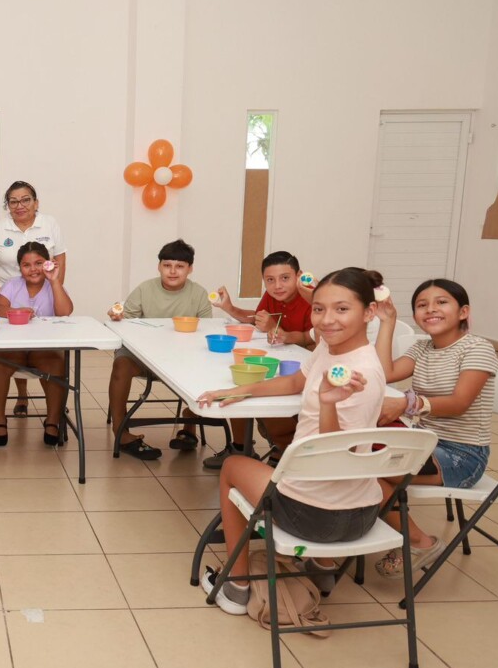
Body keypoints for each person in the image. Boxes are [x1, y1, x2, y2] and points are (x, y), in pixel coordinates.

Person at [196, 268, 388, 614]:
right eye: (319, 309)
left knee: (232, 467)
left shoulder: (362, 373)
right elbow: (296, 381)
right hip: (361, 513)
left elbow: (335, 458)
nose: (327, 320)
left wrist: (328, 404)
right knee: (295, 466)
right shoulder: (331, 348)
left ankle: (237, 586)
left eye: (342, 309)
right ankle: (322, 570)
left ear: (369, 312)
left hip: (316, 516)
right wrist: (240, 390)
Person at [371, 278, 498, 576]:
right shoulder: (422, 348)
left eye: (441, 302)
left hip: (462, 455)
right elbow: (383, 373)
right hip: (425, 443)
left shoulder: (477, 348)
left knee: (363, 471)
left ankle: (419, 542)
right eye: (422, 305)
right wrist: (388, 321)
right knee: (355, 462)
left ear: (463, 312)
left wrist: (407, 403)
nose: (430, 309)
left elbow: (459, 403)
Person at [204, 250, 314, 469]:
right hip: (280, 359)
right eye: (270, 280)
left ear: (299, 276)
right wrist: (229, 307)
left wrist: (279, 331)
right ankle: (244, 446)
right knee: (240, 383)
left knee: (255, 396)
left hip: (304, 368)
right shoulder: (272, 297)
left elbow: (315, 339)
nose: (277, 286)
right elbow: (257, 318)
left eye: (285, 278)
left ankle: (284, 448)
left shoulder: (312, 300)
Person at [107, 239, 213, 460]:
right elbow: (127, 320)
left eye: (180, 266)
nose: (173, 271)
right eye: (167, 265)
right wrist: (118, 316)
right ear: (159, 266)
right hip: (144, 355)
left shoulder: (199, 294)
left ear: (190, 269)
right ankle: (121, 430)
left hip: (184, 357)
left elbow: (206, 330)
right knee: (121, 364)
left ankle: (189, 424)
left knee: (208, 363)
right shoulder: (145, 289)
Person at [0, 181, 68, 419]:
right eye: (13, 201)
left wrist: (54, 287)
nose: (20, 205)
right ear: (8, 205)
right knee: (12, 349)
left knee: (43, 350)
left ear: (35, 203)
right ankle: (21, 395)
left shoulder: (49, 224)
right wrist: (2, 293)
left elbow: (61, 258)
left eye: (25, 200)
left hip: (44, 294)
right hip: (9, 299)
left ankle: (54, 408)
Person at [0, 243, 74, 447]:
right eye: (26, 265)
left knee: (56, 364)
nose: (33, 269)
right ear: (20, 268)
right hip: (14, 348)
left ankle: (52, 420)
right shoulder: (12, 284)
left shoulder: (54, 286)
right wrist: (16, 312)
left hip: (44, 350)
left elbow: (65, 312)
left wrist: (54, 281)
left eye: (38, 263)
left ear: (48, 264)